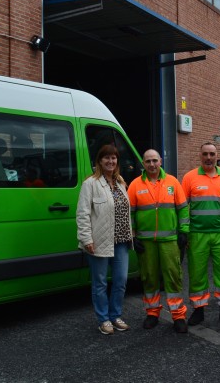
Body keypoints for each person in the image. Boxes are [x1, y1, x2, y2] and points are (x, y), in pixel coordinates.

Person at [128, 149, 190, 334]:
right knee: (149, 277)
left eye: (155, 160)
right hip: (146, 242)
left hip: (169, 240)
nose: (152, 164)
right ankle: (152, 313)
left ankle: (178, 316)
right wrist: (132, 235)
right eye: (148, 161)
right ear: (143, 163)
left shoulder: (172, 182)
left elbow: (183, 209)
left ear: (161, 161)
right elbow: (129, 213)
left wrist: (184, 231)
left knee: (173, 277)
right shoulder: (135, 185)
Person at [76, 144, 134, 335]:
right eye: (106, 158)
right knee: (100, 282)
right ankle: (103, 319)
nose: (111, 161)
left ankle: (115, 315)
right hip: (99, 240)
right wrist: (86, 239)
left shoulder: (120, 183)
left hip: (122, 240)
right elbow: (82, 214)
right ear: (99, 161)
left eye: (114, 158)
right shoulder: (90, 184)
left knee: (120, 280)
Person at [181, 142, 220, 326]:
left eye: (212, 154)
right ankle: (198, 311)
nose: (208, 157)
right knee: (197, 273)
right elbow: (182, 208)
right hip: (197, 234)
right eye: (205, 153)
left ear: (216, 156)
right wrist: (184, 232)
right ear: (200, 155)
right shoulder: (190, 177)